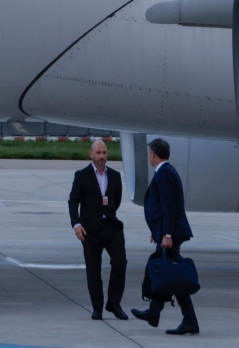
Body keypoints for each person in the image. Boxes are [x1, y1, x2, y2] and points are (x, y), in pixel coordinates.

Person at [132, 138, 199, 335]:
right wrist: (159, 232)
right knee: (168, 273)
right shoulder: (166, 172)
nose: (148, 156)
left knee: (171, 275)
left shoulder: (165, 173)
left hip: (173, 233)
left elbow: (168, 206)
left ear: (153, 154)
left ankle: (185, 319)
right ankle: (157, 312)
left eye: (148, 153)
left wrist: (167, 233)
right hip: (167, 232)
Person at [68, 139, 127, 321]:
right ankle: (97, 307)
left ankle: (114, 303)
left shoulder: (115, 176)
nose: (102, 156)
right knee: (94, 270)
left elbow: (115, 201)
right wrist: (77, 224)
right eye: (99, 153)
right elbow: (73, 202)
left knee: (120, 263)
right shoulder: (82, 176)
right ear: (91, 154)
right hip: (90, 230)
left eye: (104, 153)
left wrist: (107, 214)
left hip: (111, 227)